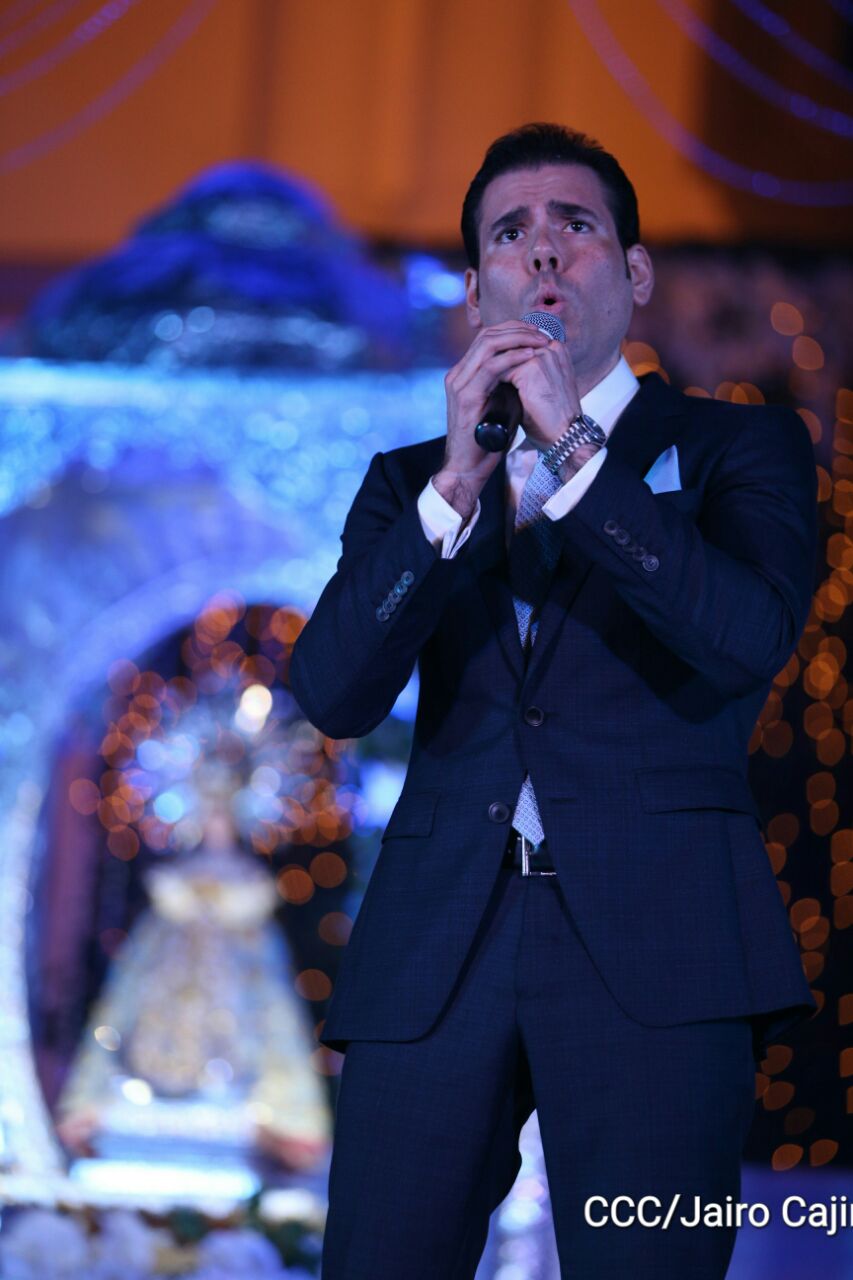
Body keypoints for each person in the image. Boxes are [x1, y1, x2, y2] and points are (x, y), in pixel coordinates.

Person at [289, 124, 817, 1279]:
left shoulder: (735, 447)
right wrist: (457, 486)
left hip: (660, 944)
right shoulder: (412, 481)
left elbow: (744, 637)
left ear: (632, 273)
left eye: (573, 226)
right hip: (439, 943)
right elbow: (330, 690)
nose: (540, 252)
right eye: (508, 233)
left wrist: (575, 452)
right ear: (475, 287)